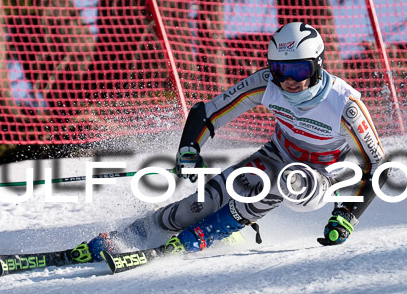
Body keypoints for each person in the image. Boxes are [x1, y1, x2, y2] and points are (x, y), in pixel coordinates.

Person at [82, 21, 386, 262]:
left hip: (323, 173)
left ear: (317, 65)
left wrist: (347, 214)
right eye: (280, 69)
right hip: (277, 154)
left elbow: (376, 164)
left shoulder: (344, 105)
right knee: (201, 203)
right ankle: (132, 235)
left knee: (288, 180)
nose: (289, 80)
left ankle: (207, 234)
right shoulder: (268, 83)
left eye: (299, 69)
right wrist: (189, 149)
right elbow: (207, 113)